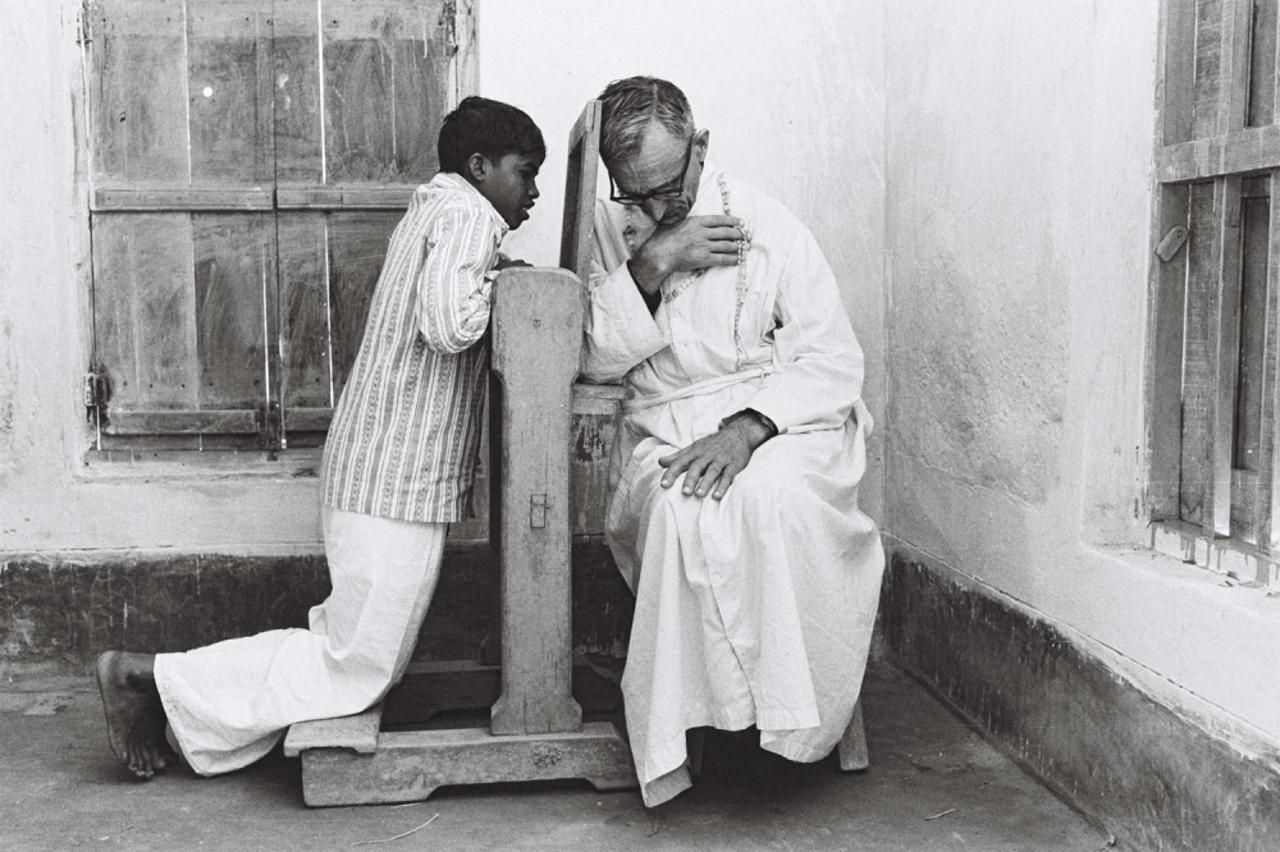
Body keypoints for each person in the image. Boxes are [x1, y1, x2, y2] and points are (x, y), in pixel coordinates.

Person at [96, 96, 544, 779]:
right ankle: (145, 677)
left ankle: (171, 699)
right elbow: (449, 325)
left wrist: (493, 276)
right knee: (355, 664)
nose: (534, 192)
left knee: (351, 651)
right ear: (480, 167)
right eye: (526, 172)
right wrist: (504, 283)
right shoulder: (466, 214)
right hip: (393, 477)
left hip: (383, 471)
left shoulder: (437, 207)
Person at [582, 76, 885, 807]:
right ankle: (705, 727)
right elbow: (590, 357)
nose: (655, 209)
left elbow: (833, 360)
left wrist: (748, 430)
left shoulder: (768, 224)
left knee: (772, 499)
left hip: (781, 420)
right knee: (681, 506)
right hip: (666, 426)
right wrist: (655, 261)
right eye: (635, 194)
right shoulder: (606, 228)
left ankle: (791, 726)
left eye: (669, 189)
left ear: (701, 148)